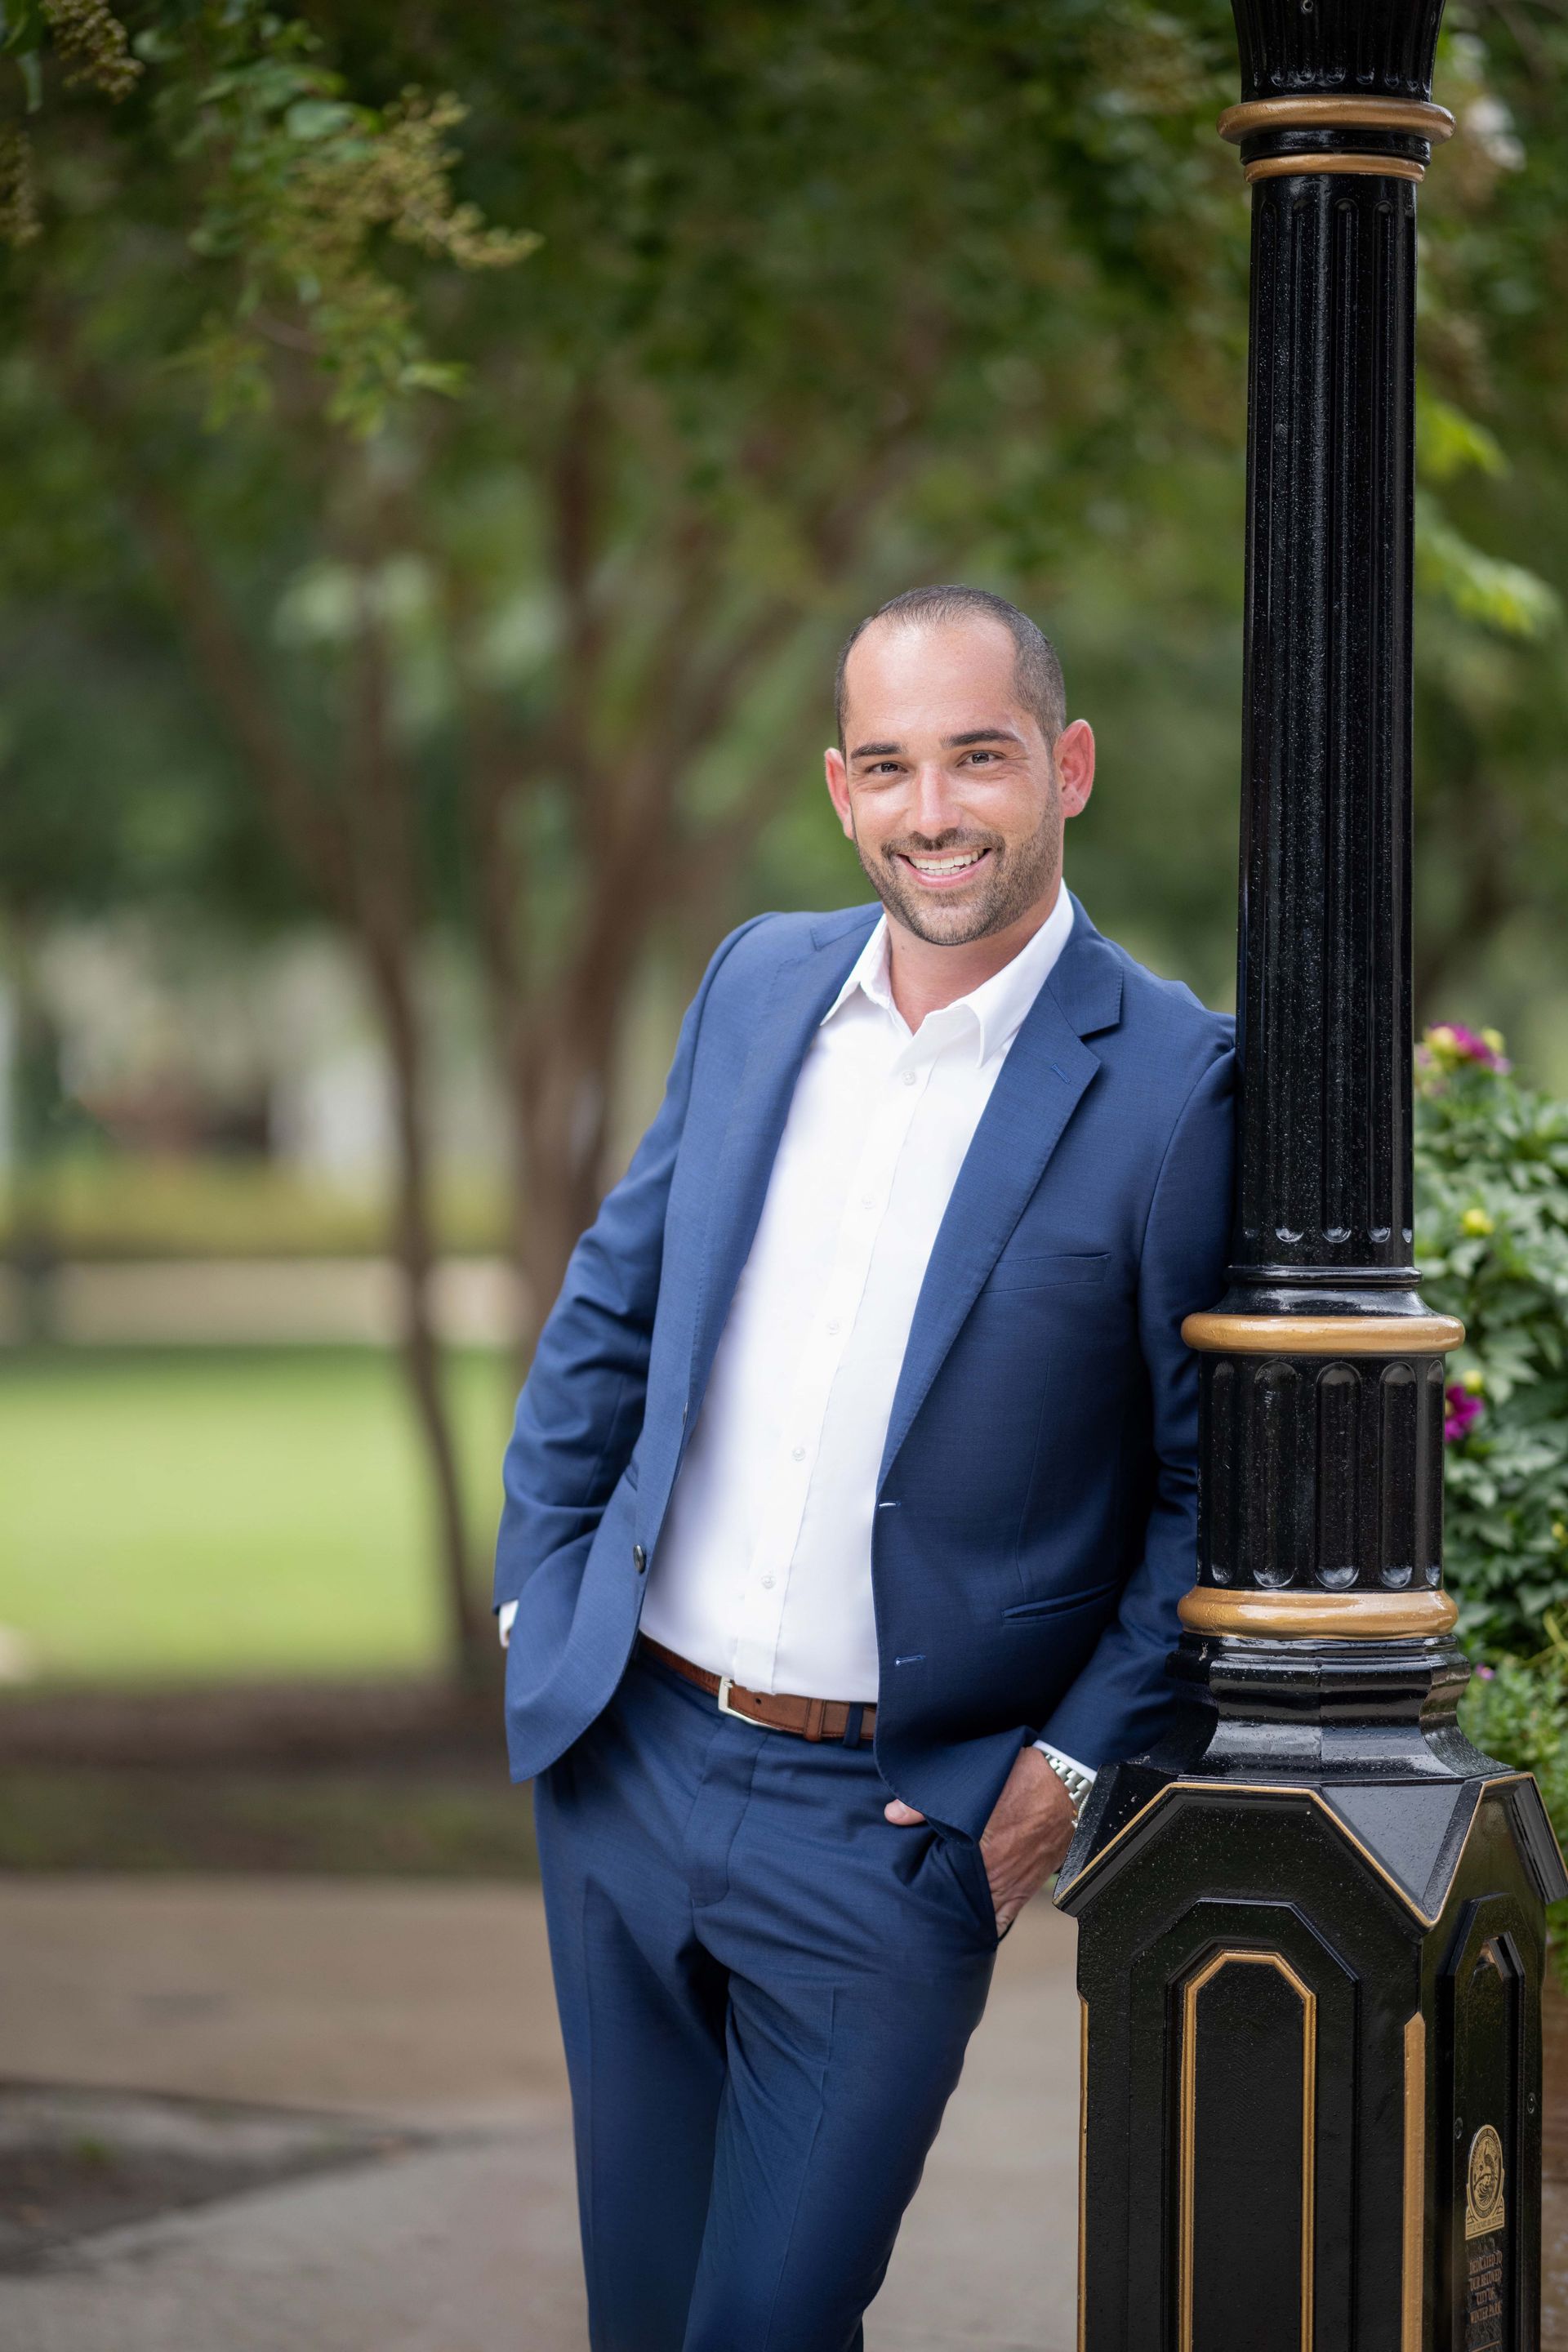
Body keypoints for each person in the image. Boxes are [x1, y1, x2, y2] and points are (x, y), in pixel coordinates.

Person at [494, 584, 1235, 2351]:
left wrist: (1062, 1771)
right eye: (891, 767)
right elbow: (614, 1297)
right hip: (629, 1764)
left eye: (977, 759)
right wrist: (545, 1598)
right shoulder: (760, 983)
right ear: (840, 790)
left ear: (1065, 767)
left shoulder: (1179, 1087)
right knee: (644, 2321)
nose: (933, 812)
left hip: (890, 1836)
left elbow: (1214, 1495)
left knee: (763, 2324)